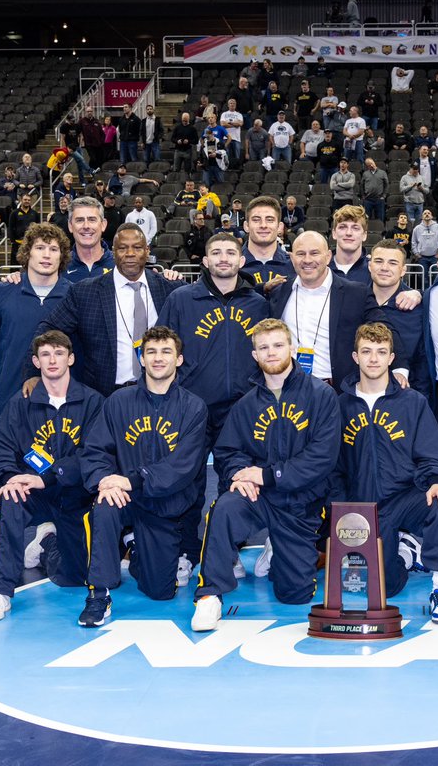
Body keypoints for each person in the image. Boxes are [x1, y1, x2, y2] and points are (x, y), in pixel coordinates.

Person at [191, 319, 341, 632]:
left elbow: (321, 458)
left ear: (292, 348)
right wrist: (239, 475)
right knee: (225, 507)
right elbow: (228, 451)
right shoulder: (246, 404)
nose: (271, 353)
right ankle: (209, 596)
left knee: (295, 595)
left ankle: (278, 547)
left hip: (301, 503)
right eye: (263, 348)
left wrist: (265, 474)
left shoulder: (321, 396)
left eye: (277, 345)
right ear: (255, 355)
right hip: (258, 497)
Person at [76, 326, 209, 627]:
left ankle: (134, 545)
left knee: (160, 591)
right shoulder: (119, 401)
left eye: (166, 352)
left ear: (179, 360)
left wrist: (132, 479)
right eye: (151, 352)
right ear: (142, 358)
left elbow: (182, 466)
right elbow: (95, 449)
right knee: (104, 505)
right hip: (123, 497)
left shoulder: (193, 407)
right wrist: (104, 480)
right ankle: (99, 595)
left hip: (164, 503)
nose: (158, 358)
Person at [330, 322, 438, 622]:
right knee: (383, 587)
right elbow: (332, 465)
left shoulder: (412, 402)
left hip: (405, 496)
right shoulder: (339, 405)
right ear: (355, 357)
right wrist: (340, 508)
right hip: (363, 508)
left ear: (391, 358)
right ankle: (406, 551)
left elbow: (433, 453)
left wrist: (437, 481)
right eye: (367, 352)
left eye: (381, 352)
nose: (373, 359)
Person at [159, 232, 271, 579]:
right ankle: (186, 552)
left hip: (241, 409)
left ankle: (231, 550)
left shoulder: (257, 304)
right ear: (205, 261)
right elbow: (162, 347)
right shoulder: (181, 299)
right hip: (192, 407)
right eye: (216, 252)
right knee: (186, 481)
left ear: (241, 260)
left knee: (235, 481)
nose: (223, 258)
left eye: (230, 253)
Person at [0, 331, 104, 622]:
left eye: (59, 353)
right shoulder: (20, 404)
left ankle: (47, 539)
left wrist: (49, 477)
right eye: (46, 354)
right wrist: (11, 477)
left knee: (74, 577)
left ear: (70, 359)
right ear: (36, 361)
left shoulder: (92, 402)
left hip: (75, 495)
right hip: (32, 493)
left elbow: (94, 454)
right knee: (8, 501)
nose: (52, 360)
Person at [35, 224, 183, 396]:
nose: (129, 254)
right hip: (104, 396)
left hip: (160, 393)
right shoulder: (84, 292)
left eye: (137, 247)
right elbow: (47, 329)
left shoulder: (168, 288)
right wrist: (32, 374)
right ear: (113, 252)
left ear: (147, 251)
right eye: (122, 248)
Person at [267, 231, 399, 390]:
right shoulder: (279, 291)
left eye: (314, 253)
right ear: (292, 258)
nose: (307, 260)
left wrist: (400, 370)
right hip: (289, 388)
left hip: (336, 392)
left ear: (328, 256)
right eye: (301, 254)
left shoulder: (356, 293)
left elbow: (386, 330)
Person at [0, 223, 72, 420]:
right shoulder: (3, 291)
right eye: (40, 248)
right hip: (8, 399)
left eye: (53, 249)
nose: (47, 255)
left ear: (62, 255)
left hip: (60, 404)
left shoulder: (75, 295)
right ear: (27, 253)